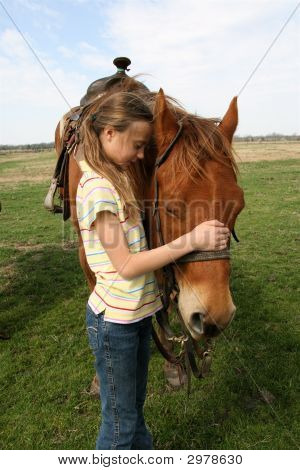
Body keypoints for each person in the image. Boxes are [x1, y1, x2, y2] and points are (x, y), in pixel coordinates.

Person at [76, 91, 230, 450]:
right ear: (110, 134)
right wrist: (192, 239)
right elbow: (127, 265)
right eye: (138, 145)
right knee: (119, 424)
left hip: (136, 318)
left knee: (133, 411)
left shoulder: (117, 179)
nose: (143, 155)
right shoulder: (99, 190)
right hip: (115, 324)